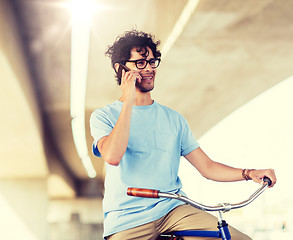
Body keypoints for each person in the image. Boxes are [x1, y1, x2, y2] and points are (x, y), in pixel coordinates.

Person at [90, 29, 277, 240]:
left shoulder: (174, 119)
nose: (149, 69)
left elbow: (207, 167)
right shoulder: (103, 116)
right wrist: (128, 100)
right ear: (121, 68)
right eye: (141, 63)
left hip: (172, 210)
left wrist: (249, 173)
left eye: (152, 62)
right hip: (127, 219)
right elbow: (113, 156)